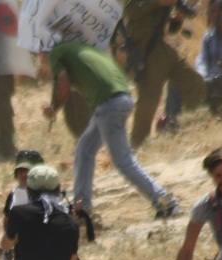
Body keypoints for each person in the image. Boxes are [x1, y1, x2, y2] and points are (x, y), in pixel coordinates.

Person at [43, 42, 181, 221]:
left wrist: (54, 107)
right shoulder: (78, 47)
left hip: (108, 105)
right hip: (120, 98)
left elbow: (63, 81)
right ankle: (81, 208)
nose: (39, 61)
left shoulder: (56, 53)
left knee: (123, 160)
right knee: (84, 150)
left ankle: (165, 202)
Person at [121, 0, 205, 145]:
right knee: (149, 100)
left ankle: (185, 127)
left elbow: (170, 30)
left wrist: (177, 19)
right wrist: (159, 3)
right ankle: (138, 145)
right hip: (145, 52)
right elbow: (131, 12)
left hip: (163, 49)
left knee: (195, 84)